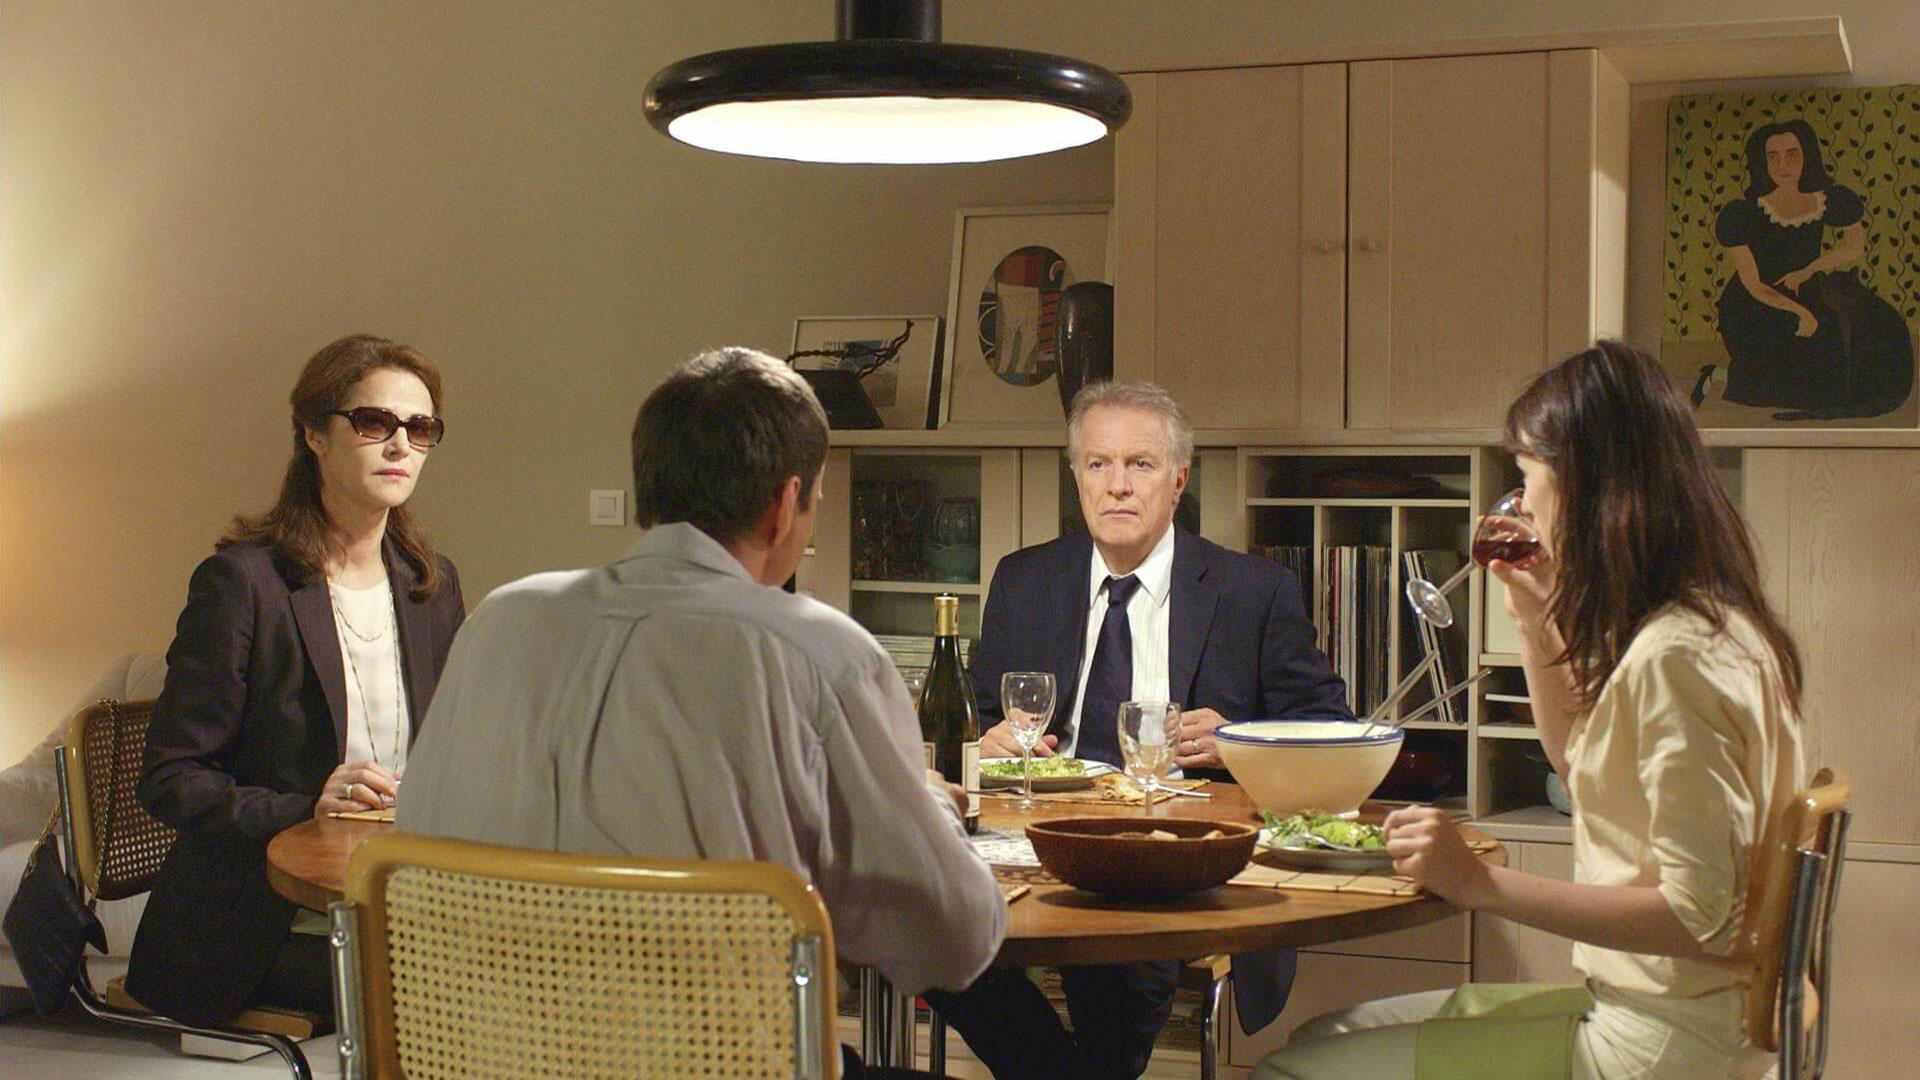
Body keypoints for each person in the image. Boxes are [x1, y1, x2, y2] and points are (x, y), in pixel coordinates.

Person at [398, 347, 1004, 1076]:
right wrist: (925, 801)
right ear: (785, 504)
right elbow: (953, 942)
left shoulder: (499, 620)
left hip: (469, 1062)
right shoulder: (820, 654)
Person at [1255, 341, 1807, 1080]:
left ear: (1583, 484)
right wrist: (1534, 619)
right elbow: (1580, 766)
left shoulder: (1677, 658)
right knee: (1326, 1034)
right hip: (1659, 1012)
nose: (1521, 502)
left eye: (1526, 477)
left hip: (1666, 1043)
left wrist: (1480, 885)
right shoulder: (1708, 626)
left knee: (1289, 1072)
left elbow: (1701, 918)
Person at [927, 381, 1353, 1079]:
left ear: (1178, 480)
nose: (1117, 485)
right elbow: (970, 717)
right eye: (1098, 464)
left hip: (1170, 861)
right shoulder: (1025, 580)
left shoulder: (1252, 591)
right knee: (930, 930)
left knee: (1118, 957)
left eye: (1140, 464)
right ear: (1077, 477)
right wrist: (990, 738)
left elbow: (1330, 731)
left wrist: (1240, 739)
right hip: (1028, 845)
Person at [126, 334, 465, 1028]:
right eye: (374, 422)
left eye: (420, 428)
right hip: (265, 922)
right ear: (313, 432)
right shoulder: (243, 584)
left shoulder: (430, 584)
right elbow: (170, 778)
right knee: (464, 988)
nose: (400, 445)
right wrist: (310, 806)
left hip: (402, 895)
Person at [1695, 118, 1914, 420]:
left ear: (1807, 155)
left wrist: (1810, 270)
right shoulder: (1744, 214)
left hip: (1804, 292)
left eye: (1792, 154)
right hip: (1755, 309)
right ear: (1762, 162)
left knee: (1832, 381)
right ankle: (1718, 377)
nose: (1782, 165)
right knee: (1795, 385)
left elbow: (1855, 247)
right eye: (1773, 156)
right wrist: (1800, 313)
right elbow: (1753, 285)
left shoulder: (1826, 200)